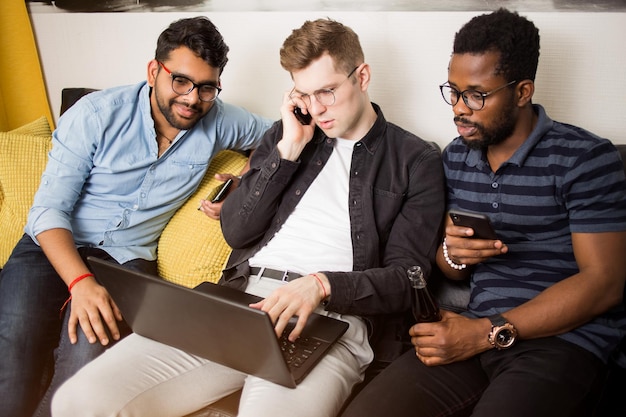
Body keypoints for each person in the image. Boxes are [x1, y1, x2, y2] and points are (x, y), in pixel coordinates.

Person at [50, 18, 445, 417]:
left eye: (327, 91)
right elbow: (237, 230)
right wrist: (288, 150)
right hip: (237, 303)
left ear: (362, 76)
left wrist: (322, 285)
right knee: (77, 400)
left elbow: (409, 280)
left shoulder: (415, 160)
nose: (317, 108)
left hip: (330, 320)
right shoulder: (287, 135)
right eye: (305, 94)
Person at [340, 8, 626, 417]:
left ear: (523, 92)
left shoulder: (584, 158)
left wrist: (483, 333)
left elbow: (604, 283)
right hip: (474, 330)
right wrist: (453, 254)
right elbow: (451, 268)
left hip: (563, 343)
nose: (459, 108)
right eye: (452, 91)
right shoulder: (457, 157)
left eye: (476, 95)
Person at [0, 16, 271, 417]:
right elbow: (47, 211)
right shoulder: (96, 114)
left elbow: (280, 142)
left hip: (126, 262)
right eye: (180, 81)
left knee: (88, 360)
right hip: (53, 245)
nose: (192, 99)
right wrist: (80, 283)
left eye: (206, 87)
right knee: (13, 341)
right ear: (153, 71)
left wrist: (242, 180)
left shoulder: (221, 120)